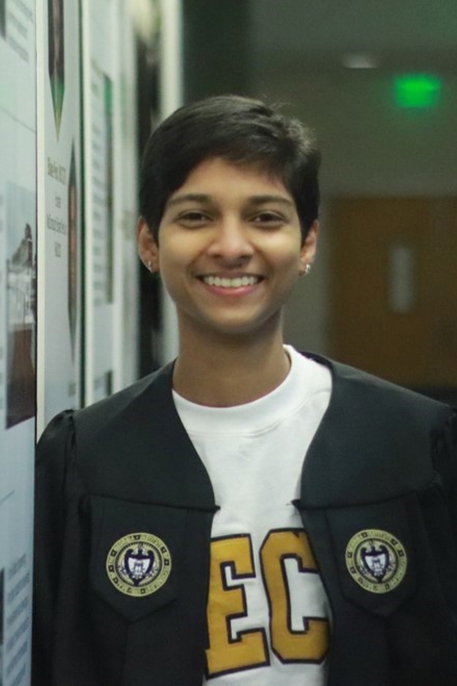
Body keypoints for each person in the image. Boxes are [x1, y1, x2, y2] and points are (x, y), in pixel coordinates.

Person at [33, 95, 457, 686]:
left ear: (307, 242)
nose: (231, 246)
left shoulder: (413, 446)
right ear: (149, 243)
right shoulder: (89, 461)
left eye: (264, 217)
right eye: (196, 216)